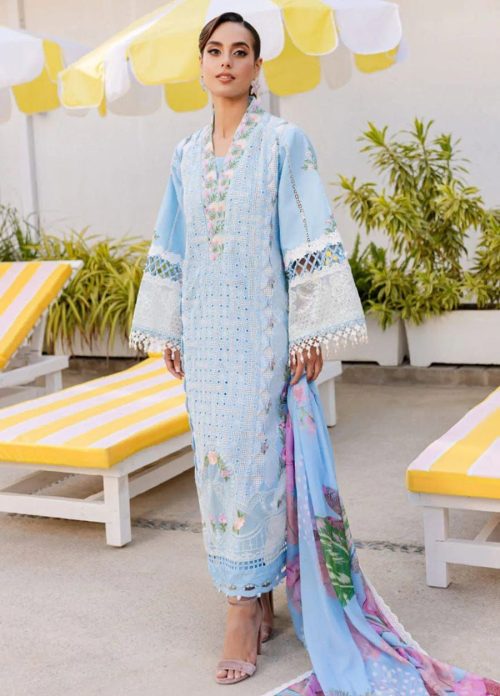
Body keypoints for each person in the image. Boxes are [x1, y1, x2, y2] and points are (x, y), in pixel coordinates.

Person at [129, 12, 367, 686]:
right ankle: (253, 593)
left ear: (258, 68)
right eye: (215, 50)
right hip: (206, 339)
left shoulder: (284, 142)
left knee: (259, 466)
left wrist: (309, 329)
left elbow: (307, 229)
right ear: (202, 64)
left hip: (264, 333)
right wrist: (172, 327)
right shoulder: (185, 154)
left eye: (240, 52)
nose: (226, 61)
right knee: (216, 466)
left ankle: (241, 610)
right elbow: (172, 238)